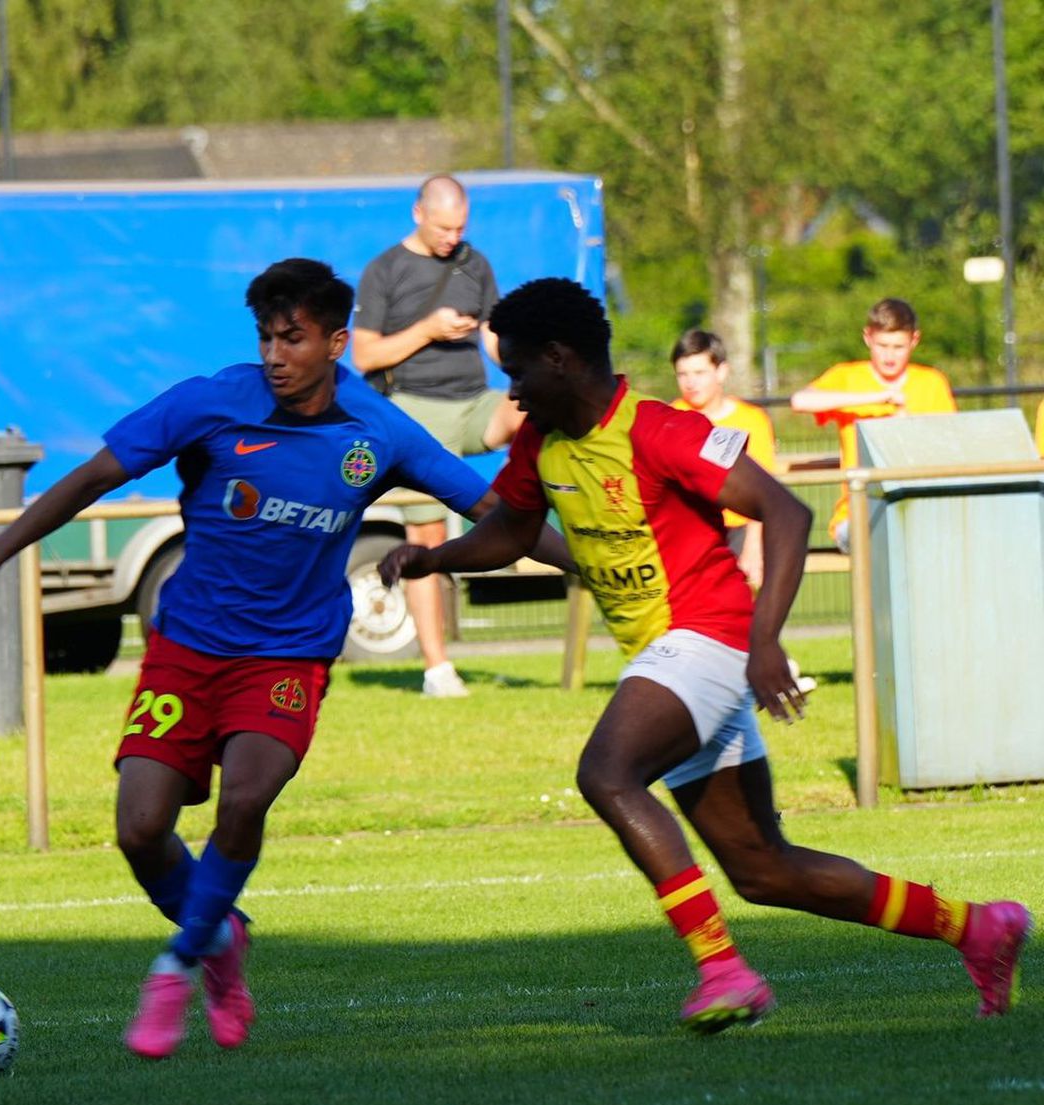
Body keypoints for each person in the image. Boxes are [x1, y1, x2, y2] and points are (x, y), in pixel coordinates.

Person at [381, 277, 1032, 1033]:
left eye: (519, 370)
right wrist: (435, 560)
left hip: (711, 636)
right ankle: (977, 927)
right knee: (764, 869)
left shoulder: (663, 430)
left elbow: (784, 512)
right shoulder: (543, 443)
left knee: (607, 773)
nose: (513, 393)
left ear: (560, 359)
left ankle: (723, 969)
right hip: (668, 658)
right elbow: (513, 532)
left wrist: (764, 642)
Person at [0, 258, 504, 1060]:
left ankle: (177, 965)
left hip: (288, 656)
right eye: (266, 336)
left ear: (338, 343)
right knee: (139, 830)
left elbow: (496, 515)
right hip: (186, 649)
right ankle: (222, 939)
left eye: (293, 338)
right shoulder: (210, 401)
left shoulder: (380, 434)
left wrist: (582, 556)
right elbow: (91, 478)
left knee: (244, 801)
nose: (274, 353)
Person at [351, 174, 524, 698]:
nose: (453, 237)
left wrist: (521, 367)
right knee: (426, 540)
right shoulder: (383, 271)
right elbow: (363, 356)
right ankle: (437, 670)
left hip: (473, 403)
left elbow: (493, 334)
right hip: (412, 414)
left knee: (535, 414)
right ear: (418, 214)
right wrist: (428, 329)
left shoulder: (476, 263)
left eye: (461, 228)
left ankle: (529, 520)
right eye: (445, 227)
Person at [790, 297, 956, 553]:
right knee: (888, 536)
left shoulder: (931, 382)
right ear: (868, 337)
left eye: (898, 347)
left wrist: (907, 425)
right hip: (857, 513)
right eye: (882, 345)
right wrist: (879, 397)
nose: (889, 355)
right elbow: (800, 400)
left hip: (918, 505)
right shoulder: (847, 376)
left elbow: (949, 441)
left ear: (914, 340)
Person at [671, 329, 776, 589]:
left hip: (739, 526)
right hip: (690, 529)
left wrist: (754, 547)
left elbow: (764, 488)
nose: (690, 383)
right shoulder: (670, 417)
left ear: (721, 371)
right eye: (683, 374)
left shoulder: (752, 420)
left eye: (699, 373)